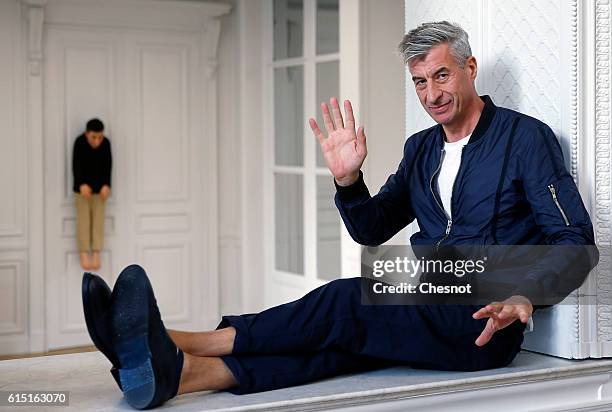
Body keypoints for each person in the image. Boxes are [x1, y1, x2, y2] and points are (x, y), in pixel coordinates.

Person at [82, 21, 598, 410]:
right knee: (339, 341)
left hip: (483, 316)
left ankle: (172, 339)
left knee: (344, 301)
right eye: (419, 82)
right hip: (424, 285)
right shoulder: (421, 149)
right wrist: (348, 179)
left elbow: (575, 240)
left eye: (441, 75)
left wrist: (523, 295)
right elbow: (372, 229)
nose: (431, 94)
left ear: (469, 68)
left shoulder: (524, 139)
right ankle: (186, 375)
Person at [73, 118, 112, 270]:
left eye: (100, 137)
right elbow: (76, 165)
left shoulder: (106, 143)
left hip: (100, 190)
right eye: (93, 137)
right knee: (83, 221)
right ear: (86, 134)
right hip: (82, 190)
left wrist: (107, 185)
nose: (97, 141)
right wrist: (81, 184)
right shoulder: (79, 142)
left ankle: (96, 253)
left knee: (98, 221)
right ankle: (83, 252)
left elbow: (108, 165)